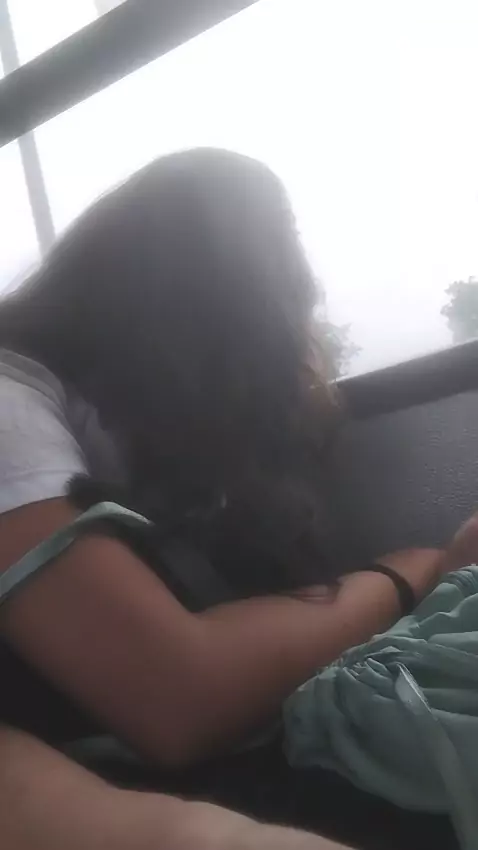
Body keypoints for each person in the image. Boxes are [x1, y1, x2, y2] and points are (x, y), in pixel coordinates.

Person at [0, 148, 451, 850]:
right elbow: (171, 693)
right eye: (276, 317)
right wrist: (411, 573)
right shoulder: (11, 404)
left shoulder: (139, 433)